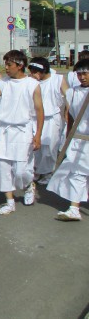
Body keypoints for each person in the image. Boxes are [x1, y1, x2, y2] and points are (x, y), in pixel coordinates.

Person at [0, 50, 44, 214]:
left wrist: (38, 135)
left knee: (21, 170)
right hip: (5, 129)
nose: (6, 67)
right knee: (4, 168)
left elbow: (40, 111)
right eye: (5, 63)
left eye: (9, 64)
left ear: (20, 65)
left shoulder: (32, 84)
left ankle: (28, 185)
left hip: (23, 130)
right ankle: (9, 201)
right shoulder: (2, 83)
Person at [46, 58, 89, 221]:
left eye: (85, 73)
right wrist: (68, 136)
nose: (82, 77)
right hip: (79, 139)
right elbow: (71, 116)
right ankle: (74, 208)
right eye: (79, 74)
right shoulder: (72, 92)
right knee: (77, 173)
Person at [28, 57, 68, 185]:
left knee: (50, 147)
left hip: (52, 118)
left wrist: (68, 112)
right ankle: (37, 171)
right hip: (35, 118)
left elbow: (70, 97)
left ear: (44, 70)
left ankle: (49, 172)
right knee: (35, 147)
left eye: (35, 72)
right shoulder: (32, 82)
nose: (33, 75)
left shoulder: (58, 79)